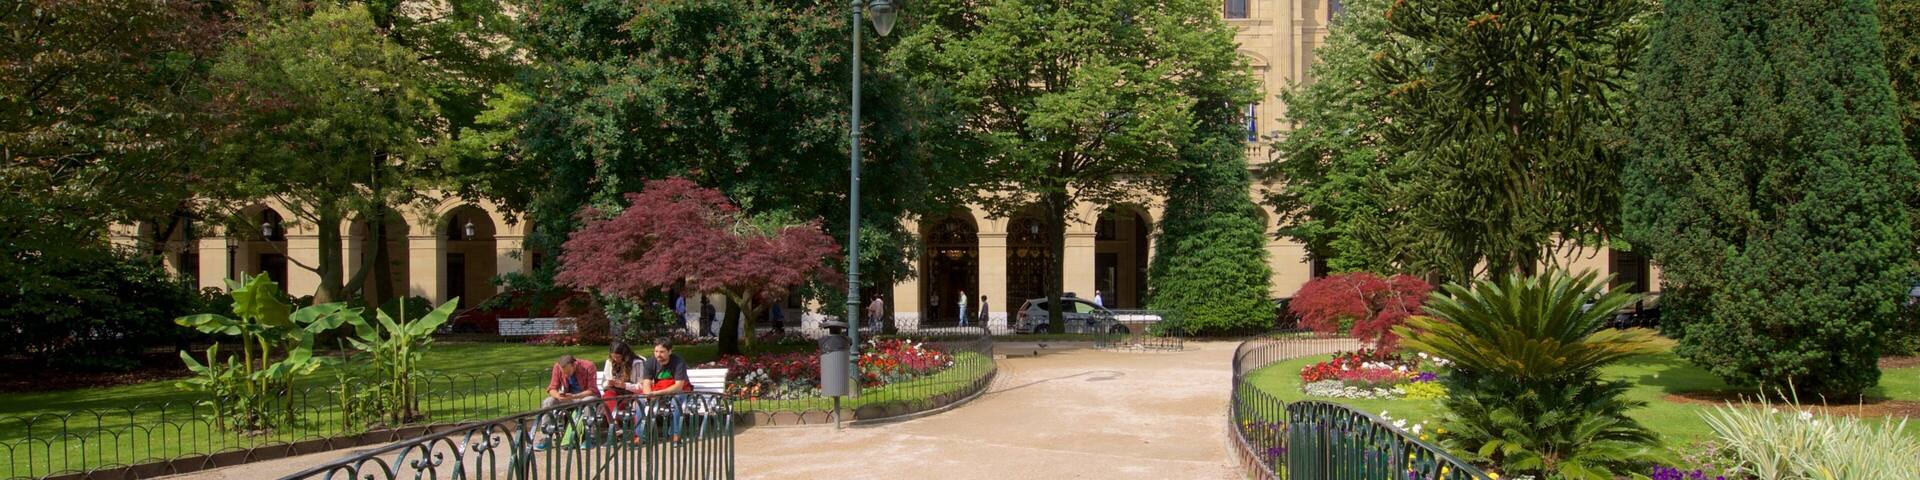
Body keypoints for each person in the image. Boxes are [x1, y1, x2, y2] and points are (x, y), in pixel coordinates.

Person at [536, 355, 599, 450]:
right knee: (548, 402)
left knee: (588, 401)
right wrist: (558, 396)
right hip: (568, 398)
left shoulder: (589, 366)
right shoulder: (557, 367)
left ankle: (590, 437)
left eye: (568, 372)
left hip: (585, 396)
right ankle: (546, 437)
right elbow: (552, 388)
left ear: (574, 365)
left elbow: (592, 390)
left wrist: (575, 396)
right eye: (563, 373)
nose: (566, 375)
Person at [636, 338, 692, 443]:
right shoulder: (650, 362)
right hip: (658, 391)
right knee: (641, 400)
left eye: (662, 352)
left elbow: (678, 386)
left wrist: (656, 394)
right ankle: (640, 435)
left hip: (679, 391)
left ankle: (676, 433)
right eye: (656, 351)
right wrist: (649, 395)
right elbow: (646, 383)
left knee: (676, 400)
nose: (658, 354)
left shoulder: (679, 362)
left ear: (670, 351)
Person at [601, 342, 642, 413]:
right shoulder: (610, 361)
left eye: (618, 357)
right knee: (608, 396)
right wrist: (608, 383)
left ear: (625, 355)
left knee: (621, 405)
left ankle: (614, 421)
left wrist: (625, 385)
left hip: (630, 393)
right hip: (614, 391)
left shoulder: (637, 363)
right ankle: (614, 421)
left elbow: (641, 386)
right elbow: (603, 383)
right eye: (613, 356)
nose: (615, 359)